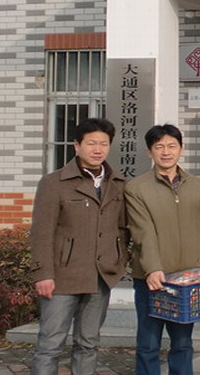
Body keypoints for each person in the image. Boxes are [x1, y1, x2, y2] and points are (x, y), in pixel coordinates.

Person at [29, 118, 129, 375]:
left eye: (103, 144)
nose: (98, 149)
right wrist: (43, 273)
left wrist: (118, 260)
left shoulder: (118, 184)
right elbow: (41, 232)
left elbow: (122, 229)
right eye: (91, 143)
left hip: (100, 277)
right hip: (62, 278)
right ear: (77, 146)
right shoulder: (54, 183)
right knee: (50, 344)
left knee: (89, 343)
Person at [125, 124, 200, 375]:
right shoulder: (136, 188)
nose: (166, 152)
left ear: (181, 149)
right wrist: (152, 269)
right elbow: (142, 232)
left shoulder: (196, 185)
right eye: (159, 147)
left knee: (182, 343)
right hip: (151, 279)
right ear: (149, 152)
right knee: (149, 343)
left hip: (186, 279)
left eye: (171, 146)